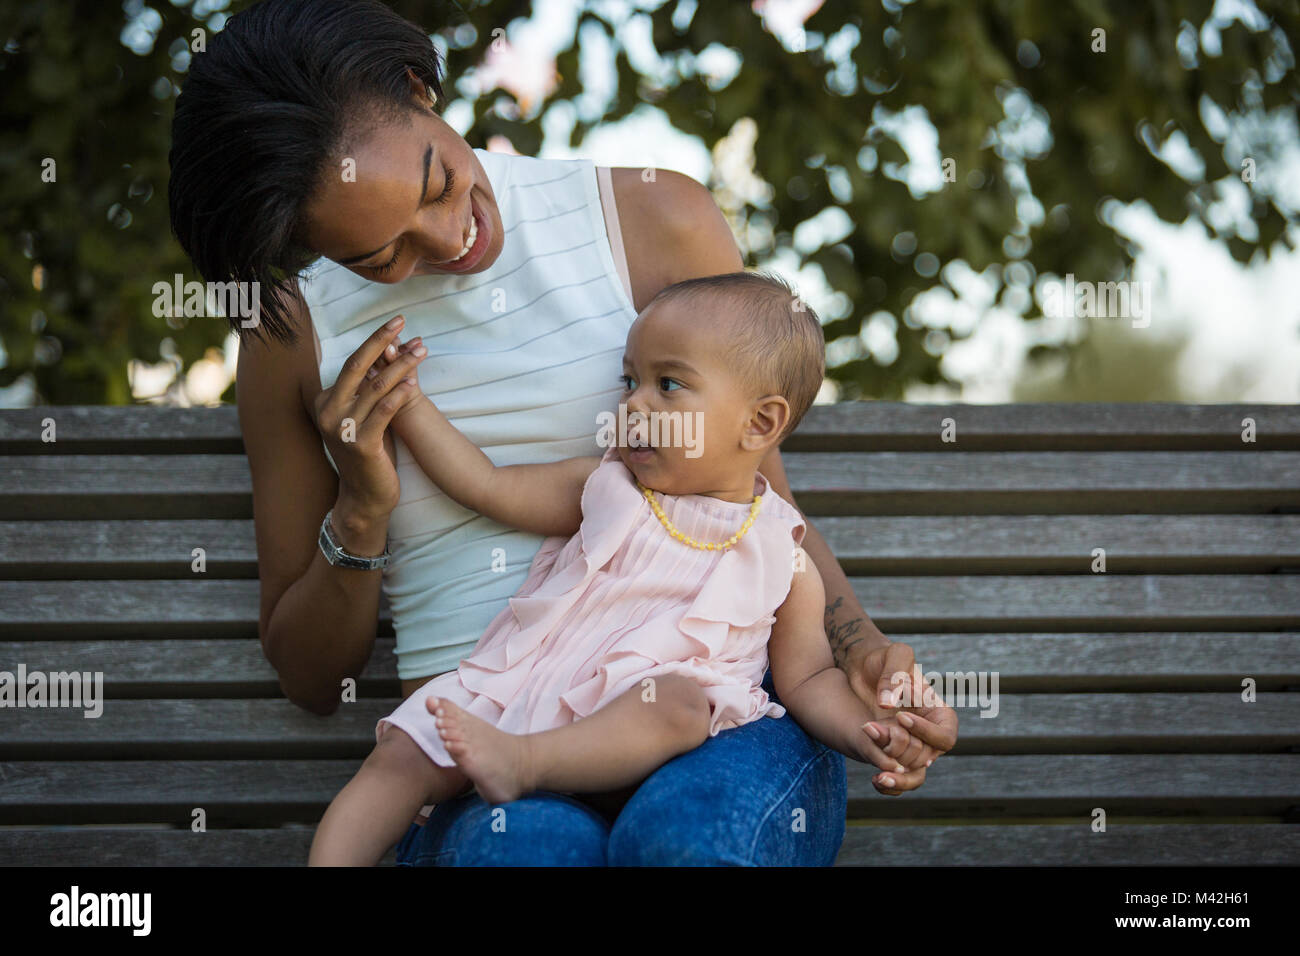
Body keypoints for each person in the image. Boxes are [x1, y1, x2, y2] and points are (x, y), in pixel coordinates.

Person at [167, 0, 957, 866]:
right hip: (491, 734)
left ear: (416, 86)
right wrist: (361, 507)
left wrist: (864, 648)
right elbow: (313, 680)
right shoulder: (292, 335)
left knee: (689, 841)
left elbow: (761, 515)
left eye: (435, 183)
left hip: (716, 716)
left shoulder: (654, 220)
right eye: (378, 256)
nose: (446, 241)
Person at [310, 272, 922, 866]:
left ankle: (525, 763)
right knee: (399, 756)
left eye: (669, 384)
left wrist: (872, 732)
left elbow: (810, 678)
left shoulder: (782, 556)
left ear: (759, 422)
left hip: (650, 734)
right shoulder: (609, 485)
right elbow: (484, 483)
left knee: (681, 700)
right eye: (629, 379)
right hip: (533, 688)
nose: (633, 402)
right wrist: (407, 402)